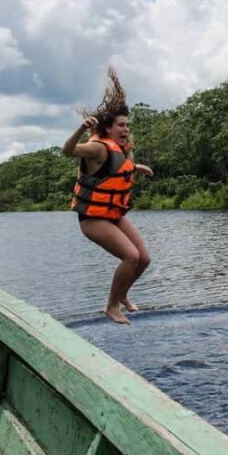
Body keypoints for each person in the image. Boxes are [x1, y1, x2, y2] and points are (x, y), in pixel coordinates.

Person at [62, 67, 153, 325]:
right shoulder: (96, 147)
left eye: (127, 125)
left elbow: (113, 169)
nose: (126, 129)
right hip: (92, 218)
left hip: (113, 214)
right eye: (121, 125)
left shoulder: (121, 149)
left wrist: (136, 167)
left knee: (144, 259)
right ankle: (112, 306)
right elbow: (67, 151)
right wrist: (80, 129)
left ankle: (122, 295)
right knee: (131, 256)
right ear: (109, 129)